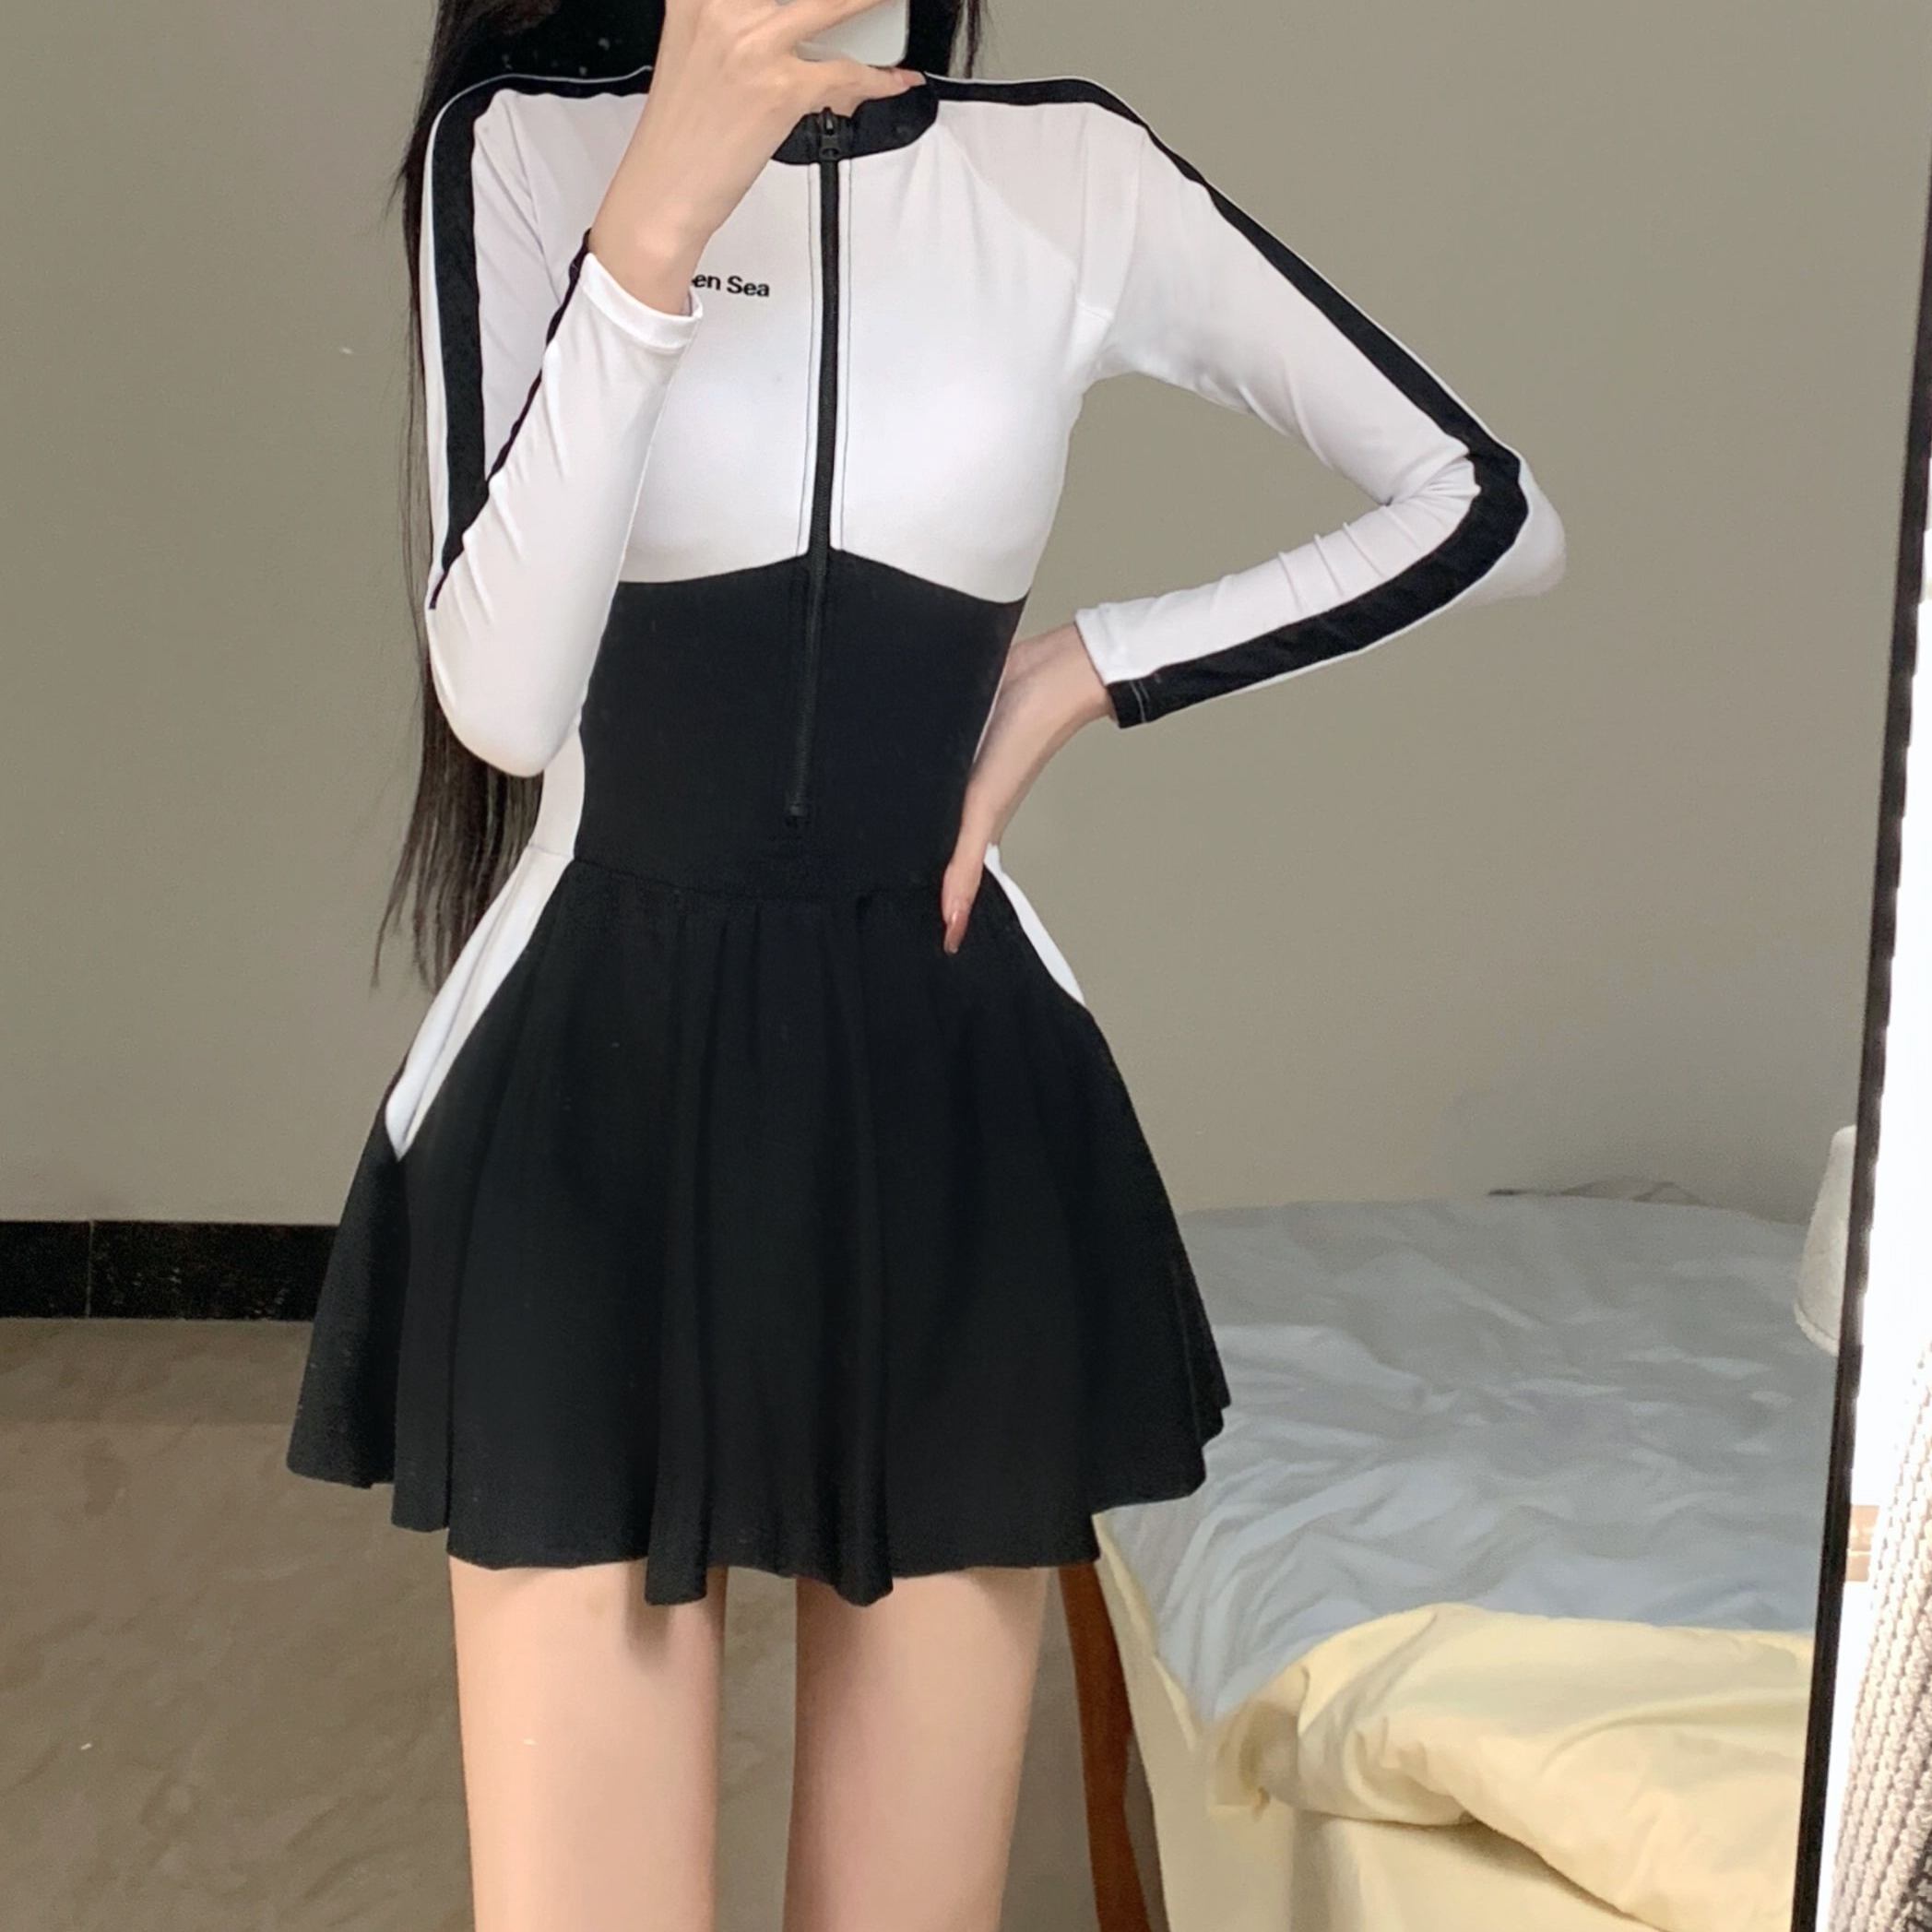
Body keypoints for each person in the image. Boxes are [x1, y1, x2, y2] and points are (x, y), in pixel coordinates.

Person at [283, 0, 1567, 1925]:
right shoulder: (527, 151)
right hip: (580, 1117)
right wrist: (657, 213)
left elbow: (1485, 508)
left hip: (947, 1108)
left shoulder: (1066, 174)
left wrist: (1087, 669)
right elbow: (506, 700)